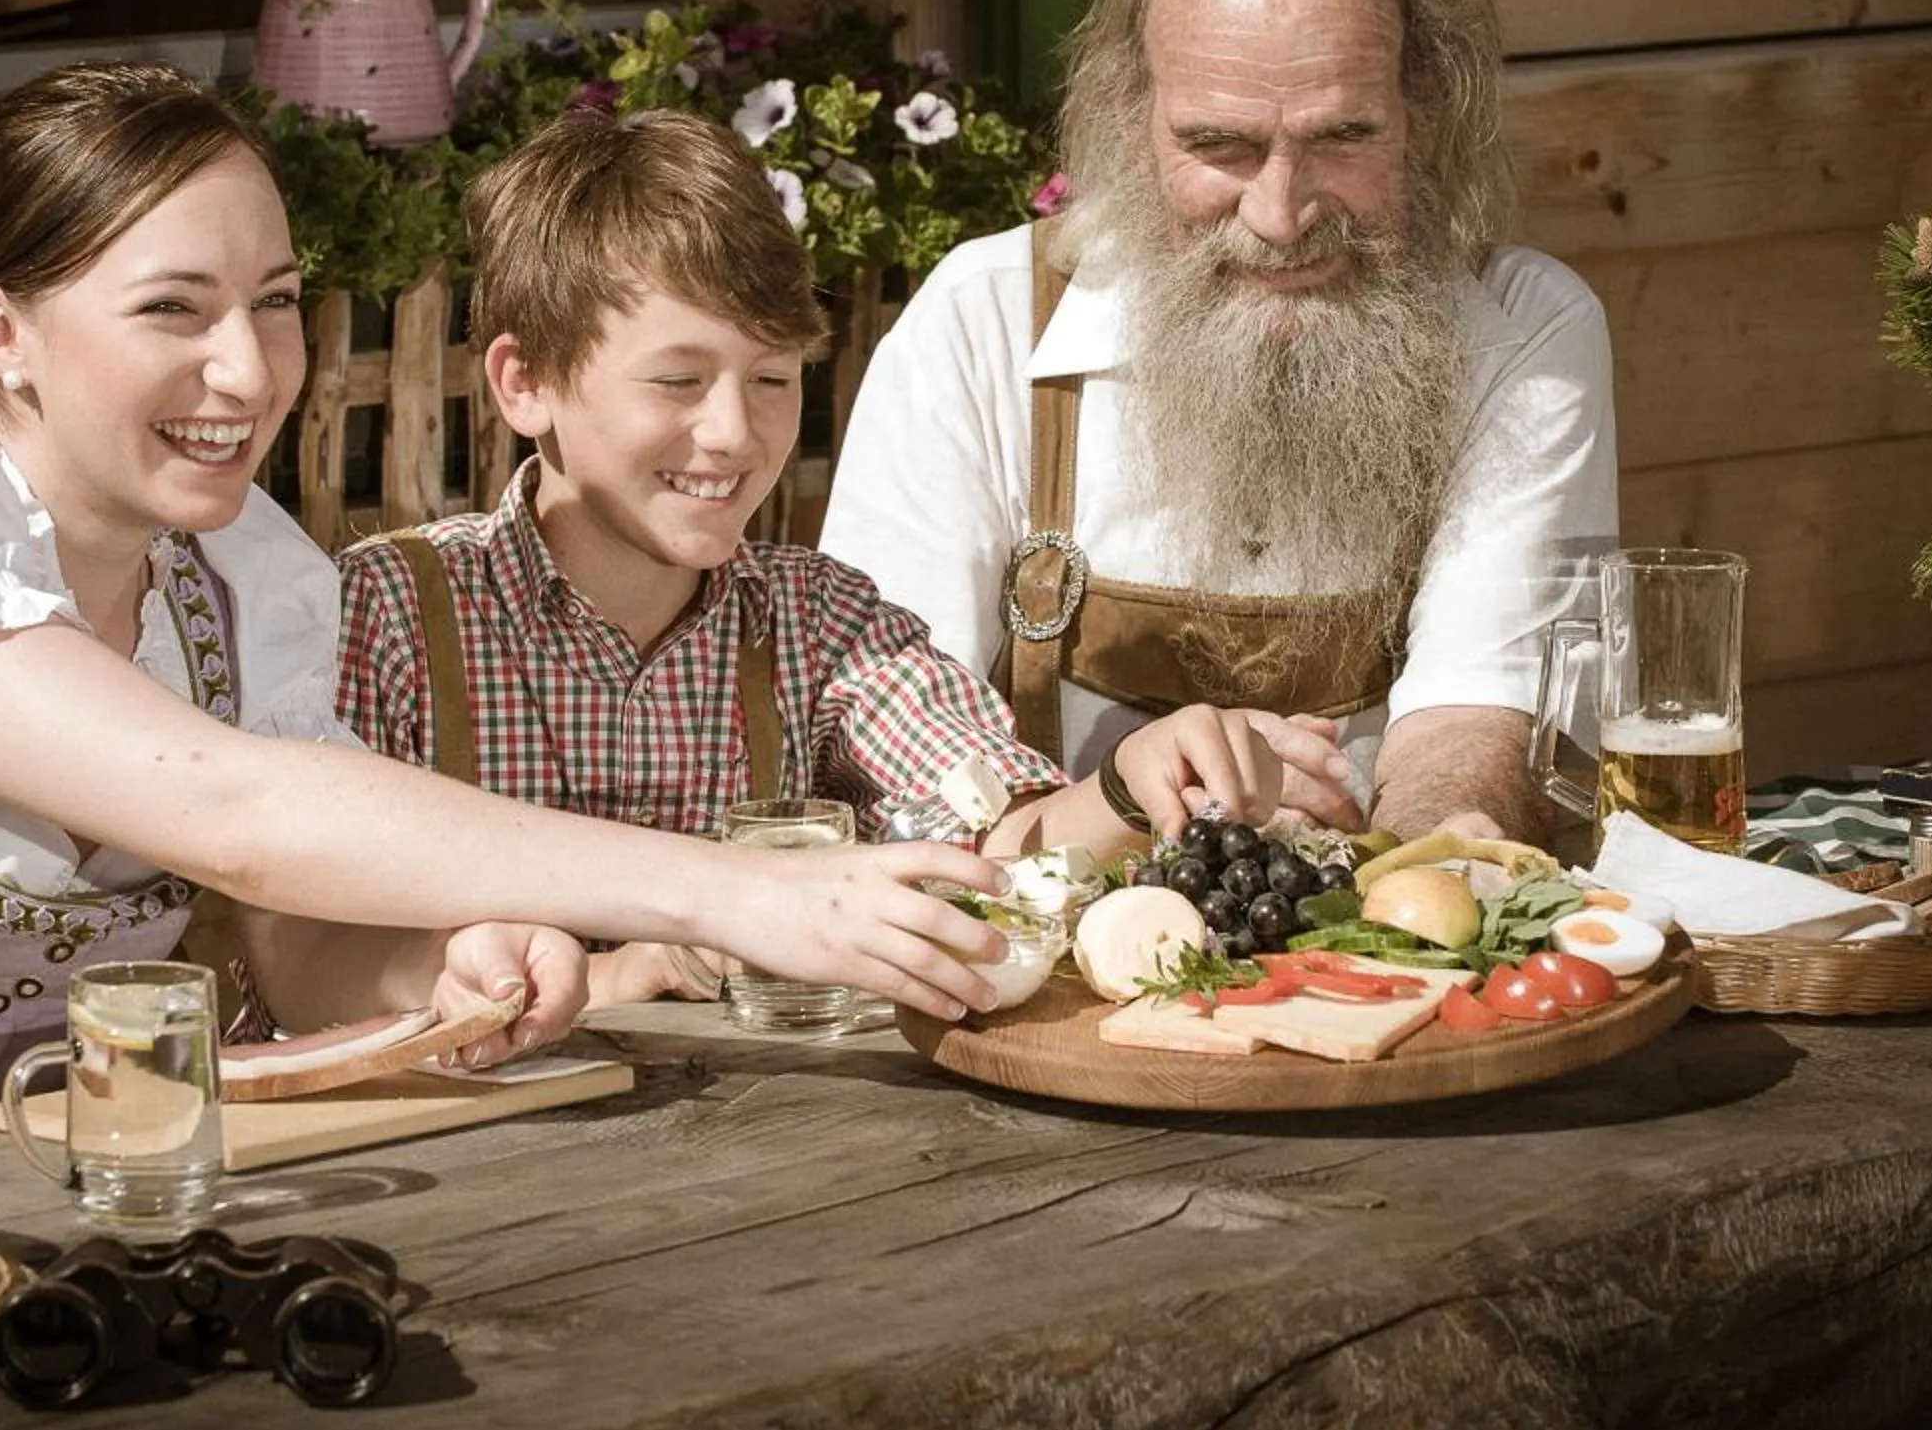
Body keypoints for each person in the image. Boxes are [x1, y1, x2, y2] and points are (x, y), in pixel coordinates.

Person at [0, 63, 1004, 1146]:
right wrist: (738, 900)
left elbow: (303, 941)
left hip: (67, 1155)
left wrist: (450, 968)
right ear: (3, 333)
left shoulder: (251, 580)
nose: (248, 370)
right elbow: (234, 814)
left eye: (275, 302)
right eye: (176, 309)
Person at [336, 110, 1290, 1007]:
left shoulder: (823, 625)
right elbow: (301, 943)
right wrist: (633, 970)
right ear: (525, 382)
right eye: (677, 380)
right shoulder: (391, 611)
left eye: (772, 379)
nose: (732, 433)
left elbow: (999, 846)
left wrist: (1131, 777)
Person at [818, 0, 1619, 845]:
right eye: (1220, 145)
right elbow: (882, 733)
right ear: (1127, 115)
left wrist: (1415, 895)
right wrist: (1131, 807)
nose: (1281, 216)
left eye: (1342, 137)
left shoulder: (1521, 334)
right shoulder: (978, 325)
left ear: (1424, 106)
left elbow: (1478, 716)